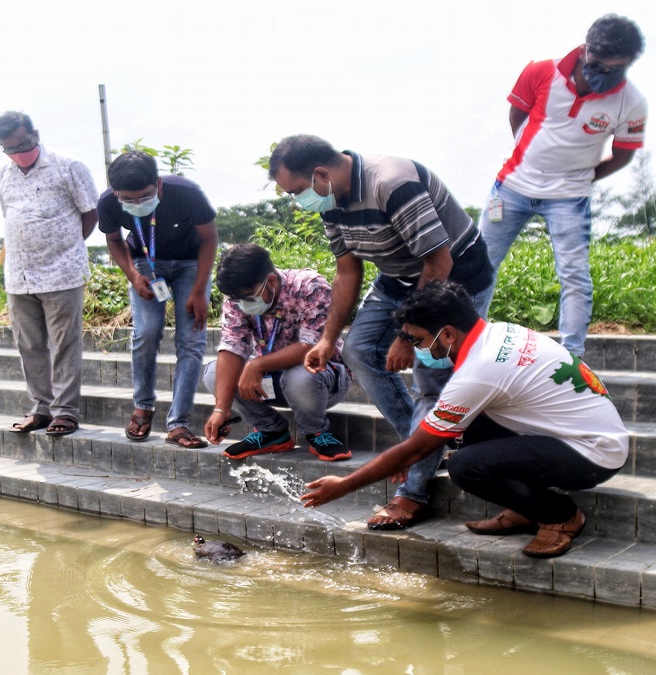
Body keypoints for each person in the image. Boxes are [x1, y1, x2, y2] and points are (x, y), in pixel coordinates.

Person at [301, 281, 628, 558]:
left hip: (592, 454)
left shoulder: (478, 372)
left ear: (446, 335)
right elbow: (430, 437)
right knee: (463, 430)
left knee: (465, 467)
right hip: (587, 432)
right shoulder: (500, 333)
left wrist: (344, 485)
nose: (416, 349)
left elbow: (416, 449)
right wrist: (406, 454)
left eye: (417, 340)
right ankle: (527, 507)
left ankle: (561, 516)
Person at [269, 134, 493, 530]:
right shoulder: (331, 200)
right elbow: (347, 271)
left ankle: (413, 492)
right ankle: (422, 444)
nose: (297, 201)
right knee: (356, 351)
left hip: (454, 279)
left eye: (297, 191)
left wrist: (407, 337)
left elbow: (438, 260)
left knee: (430, 377)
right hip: (399, 278)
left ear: (320, 174)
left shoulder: (391, 182)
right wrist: (326, 338)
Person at [480, 14, 647, 357]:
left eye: (615, 69)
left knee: (574, 276)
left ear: (629, 63)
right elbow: (517, 115)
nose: (604, 74)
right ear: (586, 50)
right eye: (598, 65)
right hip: (511, 188)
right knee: (479, 264)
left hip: (569, 199)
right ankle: (465, 345)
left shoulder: (631, 103)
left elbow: (623, 155)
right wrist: (533, 159)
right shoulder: (541, 72)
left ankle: (572, 357)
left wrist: (582, 176)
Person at [98, 150, 218, 449]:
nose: (137, 204)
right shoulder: (108, 202)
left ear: (158, 184)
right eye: (129, 199)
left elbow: (209, 238)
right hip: (146, 264)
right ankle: (143, 406)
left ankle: (178, 424)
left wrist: (200, 290)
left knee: (191, 340)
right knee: (146, 332)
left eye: (145, 196)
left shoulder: (187, 193)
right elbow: (114, 240)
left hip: (191, 264)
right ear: (116, 192)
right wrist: (133, 276)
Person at [0, 111, 100, 437]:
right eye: (9, 148)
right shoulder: (2, 175)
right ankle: (40, 408)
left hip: (61, 273)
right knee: (29, 345)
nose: (18, 152)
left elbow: (90, 213)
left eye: (23, 144)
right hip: (19, 276)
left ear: (35, 134)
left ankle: (65, 412)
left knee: (64, 344)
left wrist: (64, 247)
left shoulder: (68, 166)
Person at [201, 243, 352, 461]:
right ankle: (272, 432)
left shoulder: (309, 286)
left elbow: (312, 347)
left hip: (321, 378)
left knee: (299, 376)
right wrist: (220, 410)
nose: (243, 305)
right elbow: (232, 346)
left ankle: (317, 432)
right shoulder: (237, 297)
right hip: (271, 380)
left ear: (271, 280)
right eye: (237, 299)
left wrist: (257, 365)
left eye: (249, 297)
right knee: (214, 373)